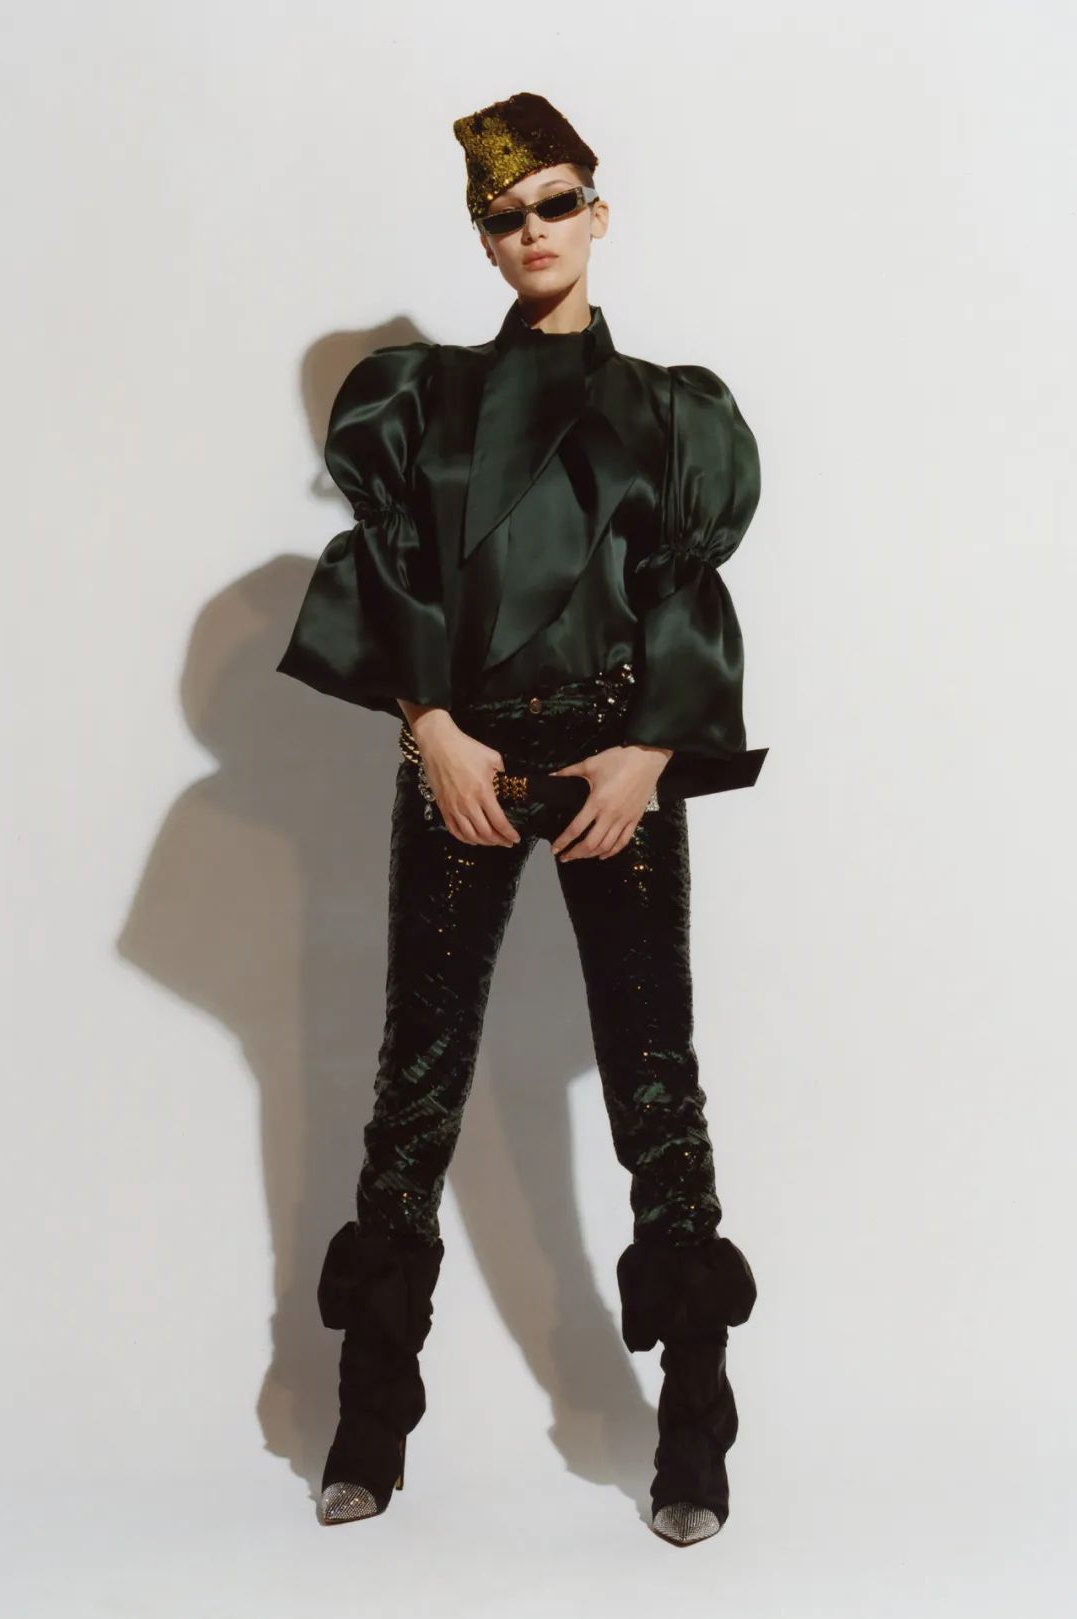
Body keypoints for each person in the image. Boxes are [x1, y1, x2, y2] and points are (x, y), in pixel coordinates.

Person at [276, 90, 764, 1547]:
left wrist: (650, 752)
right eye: (506, 214)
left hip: (616, 766)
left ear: (598, 215)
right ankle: (369, 1424)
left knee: (655, 1075)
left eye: (557, 203)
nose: (535, 229)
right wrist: (430, 728)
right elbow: (393, 566)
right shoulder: (419, 401)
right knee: (415, 1080)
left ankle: (693, 1428)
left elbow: (683, 589)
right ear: (483, 241)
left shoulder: (673, 410)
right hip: (464, 764)